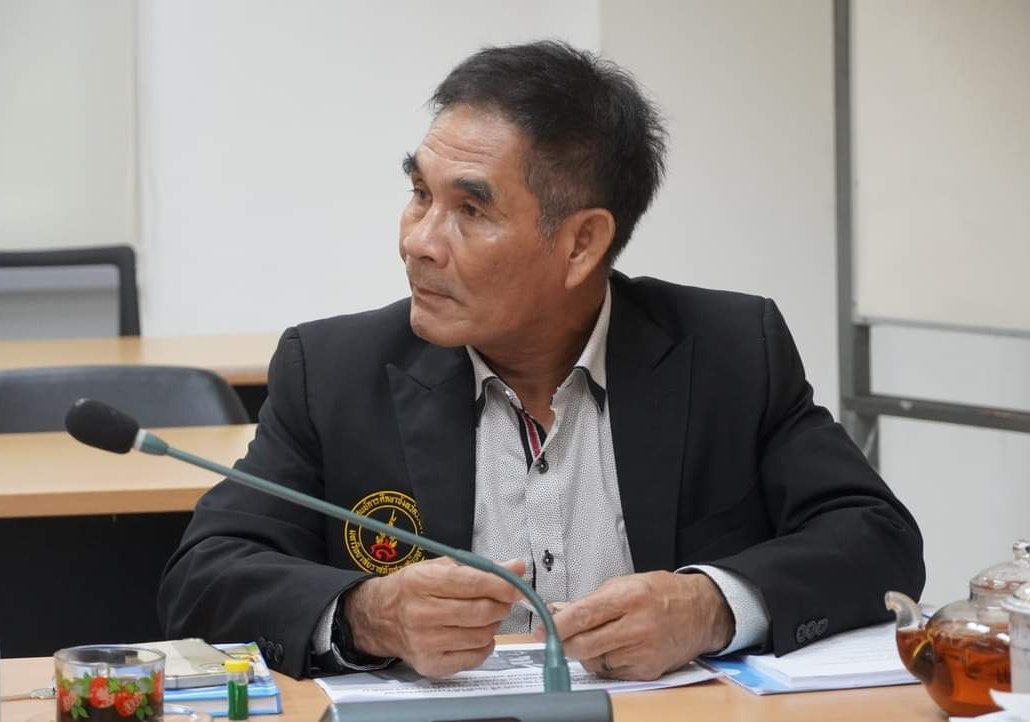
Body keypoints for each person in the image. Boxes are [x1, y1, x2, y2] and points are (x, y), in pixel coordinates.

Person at [159, 41, 924, 682]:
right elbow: (205, 577)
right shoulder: (333, 371)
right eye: (419, 193)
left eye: (471, 210)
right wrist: (369, 614)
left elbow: (876, 537)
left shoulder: (728, 350)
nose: (419, 241)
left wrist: (711, 606)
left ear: (582, 243)